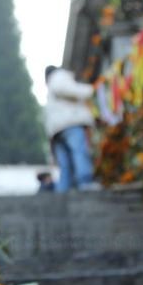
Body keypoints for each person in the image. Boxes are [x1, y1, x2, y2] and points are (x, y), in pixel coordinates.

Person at [44, 65, 102, 193]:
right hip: (70, 123)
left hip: (56, 130)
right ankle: (85, 182)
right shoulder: (59, 76)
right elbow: (68, 89)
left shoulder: (50, 90)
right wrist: (92, 90)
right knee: (79, 152)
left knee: (65, 164)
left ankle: (62, 191)